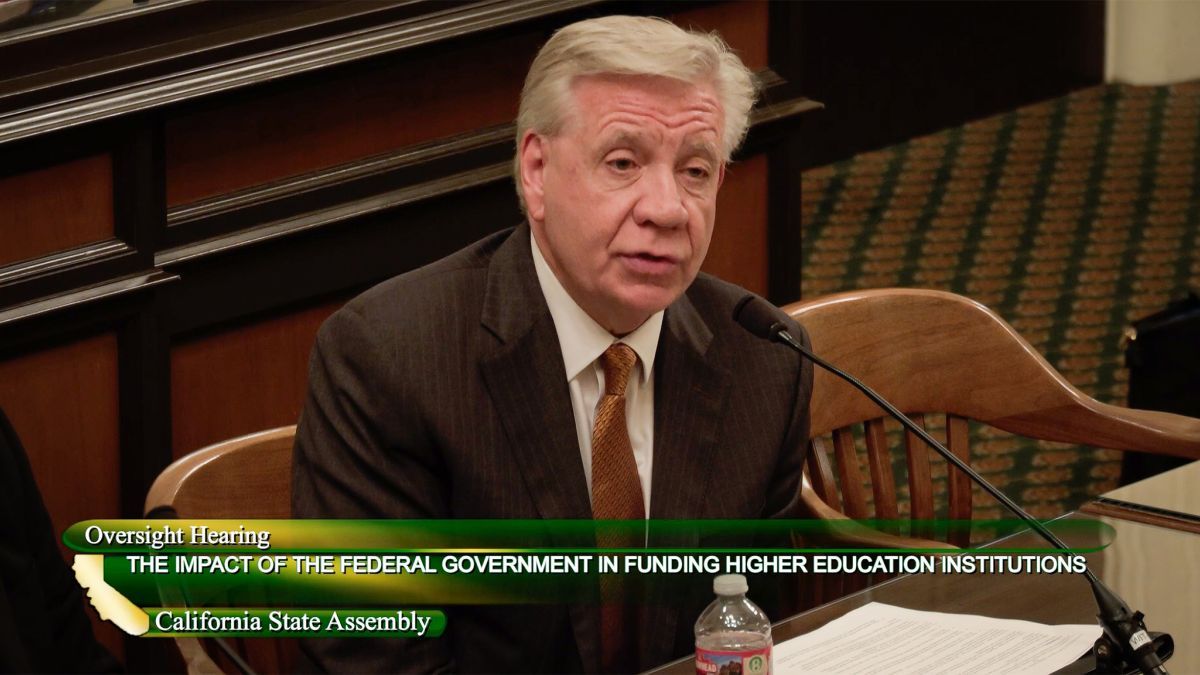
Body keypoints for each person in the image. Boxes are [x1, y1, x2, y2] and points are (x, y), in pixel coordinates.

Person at [292, 15, 813, 674]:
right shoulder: (389, 359)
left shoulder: (764, 360)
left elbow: (750, 632)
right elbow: (374, 658)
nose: (668, 208)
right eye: (623, 162)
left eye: (696, 170)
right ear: (536, 170)